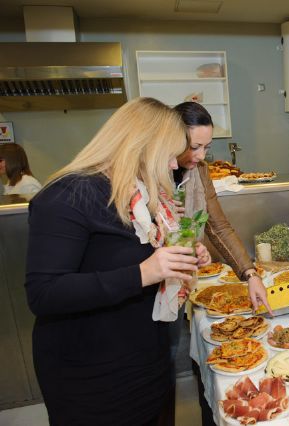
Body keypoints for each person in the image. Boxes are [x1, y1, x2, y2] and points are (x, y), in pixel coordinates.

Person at [25, 97, 209, 426]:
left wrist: (177, 257)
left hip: (143, 359)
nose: (172, 166)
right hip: (92, 374)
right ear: (143, 147)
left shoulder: (141, 198)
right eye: (169, 155)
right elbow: (44, 293)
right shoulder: (68, 196)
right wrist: (144, 272)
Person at [171, 101, 272, 426]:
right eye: (194, 146)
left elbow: (218, 226)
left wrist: (249, 273)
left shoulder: (199, 171)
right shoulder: (154, 172)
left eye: (206, 147)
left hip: (179, 284)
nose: (201, 156)